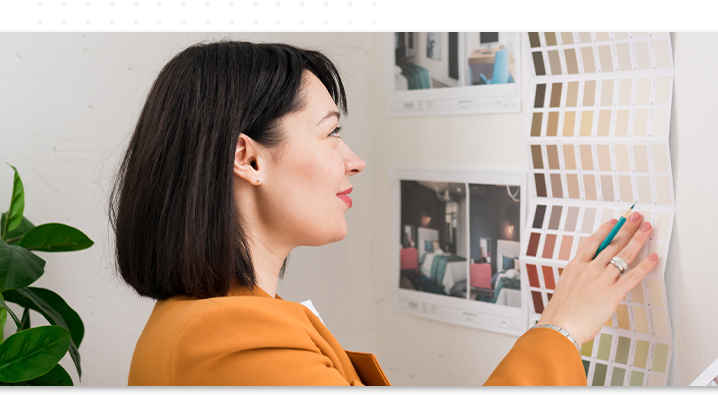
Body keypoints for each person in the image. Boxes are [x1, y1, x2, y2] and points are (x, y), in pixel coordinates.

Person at [110, 41, 660, 386]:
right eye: (332, 134)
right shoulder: (227, 337)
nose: (354, 161)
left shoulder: (215, 319)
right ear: (248, 158)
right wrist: (560, 330)